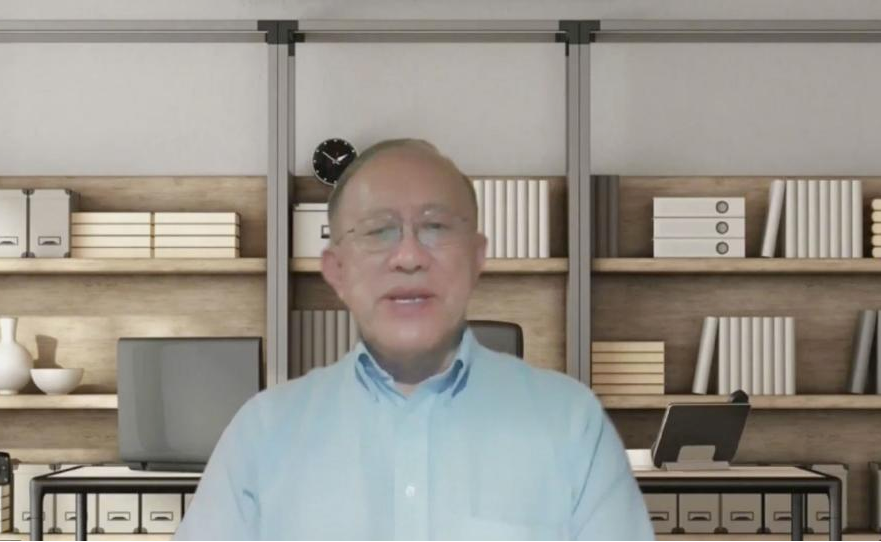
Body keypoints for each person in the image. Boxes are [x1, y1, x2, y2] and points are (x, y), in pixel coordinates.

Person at [174, 138, 654, 541]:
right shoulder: (261, 434)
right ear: (336, 270)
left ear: (477, 258)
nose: (408, 256)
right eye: (378, 231)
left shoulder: (572, 425)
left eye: (435, 227)